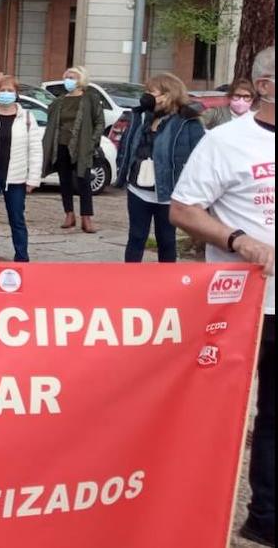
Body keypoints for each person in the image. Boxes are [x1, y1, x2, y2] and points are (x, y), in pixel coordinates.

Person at [171, 46, 275, 547]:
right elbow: (184, 209)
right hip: (248, 303)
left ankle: (266, 517)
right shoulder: (227, 142)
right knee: (227, 410)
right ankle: (235, 515)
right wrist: (239, 240)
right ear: (265, 85)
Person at [115, 73, 205, 263]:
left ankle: (167, 283)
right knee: (136, 237)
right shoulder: (141, 117)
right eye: (145, 91)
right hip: (137, 190)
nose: (146, 96)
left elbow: (200, 158)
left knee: (166, 240)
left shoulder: (187, 122)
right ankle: (129, 282)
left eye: (151, 92)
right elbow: (127, 147)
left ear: (167, 95)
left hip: (168, 194)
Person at [0, 75, 42, 262]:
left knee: (17, 221)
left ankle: (22, 257)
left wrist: (33, 178)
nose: (6, 94)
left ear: (16, 93)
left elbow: (35, 150)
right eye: (2, 90)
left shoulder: (27, 118)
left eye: (10, 90)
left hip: (16, 179)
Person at [43, 66, 106, 233]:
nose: (68, 80)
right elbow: (52, 121)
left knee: (84, 180)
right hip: (61, 145)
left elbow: (99, 122)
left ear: (81, 80)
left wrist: (93, 141)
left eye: (72, 77)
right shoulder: (60, 101)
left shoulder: (90, 99)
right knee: (65, 181)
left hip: (82, 146)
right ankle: (69, 214)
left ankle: (86, 218)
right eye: (67, 77)